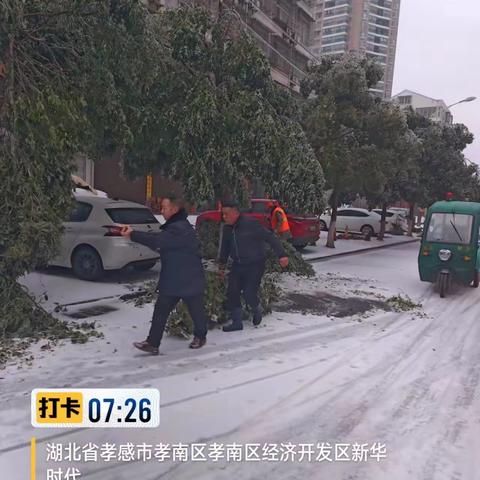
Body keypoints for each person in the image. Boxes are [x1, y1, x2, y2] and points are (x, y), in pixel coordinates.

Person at [119, 195, 208, 354]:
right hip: (174, 278)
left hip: (189, 278)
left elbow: (158, 241)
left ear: (174, 210)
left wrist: (133, 234)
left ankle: (200, 337)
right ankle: (153, 343)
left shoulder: (179, 228)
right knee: (160, 311)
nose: (161, 211)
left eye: (164, 208)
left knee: (196, 312)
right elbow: (165, 245)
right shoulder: (177, 226)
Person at [218, 201, 289, 332]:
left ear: (235, 212)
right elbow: (225, 248)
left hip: (255, 264)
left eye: (226, 214)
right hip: (238, 264)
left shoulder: (250, 224)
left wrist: (282, 255)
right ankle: (237, 322)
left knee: (248, 292)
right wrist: (221, 265)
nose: (224, 217)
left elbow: (270, 237)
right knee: (232, 291)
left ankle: (257, 310)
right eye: (223, 214)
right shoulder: (227, 228)